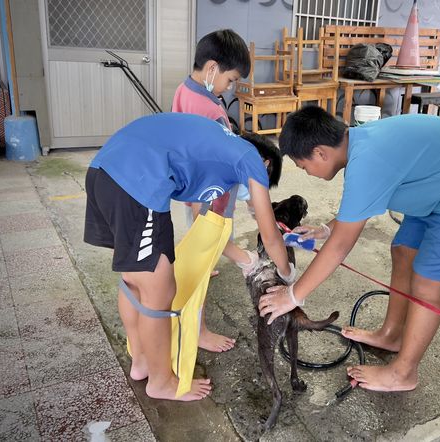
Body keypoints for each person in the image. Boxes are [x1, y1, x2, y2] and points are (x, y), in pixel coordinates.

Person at [258, 106, 440, 392]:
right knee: (403, 250)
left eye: (303, 166)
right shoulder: (359, 144)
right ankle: (391, 334)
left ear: (320, 152)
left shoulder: (366, 161)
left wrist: (292, 295)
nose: (307, 173)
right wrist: (327, 229)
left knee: (427, 281)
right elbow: (353, 215)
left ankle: (404, 373)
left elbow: (341, 246)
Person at [84, 112, 295, 401]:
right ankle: (162, 382)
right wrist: (287, 275)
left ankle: (142, 361)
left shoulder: (215, 147)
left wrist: (238, 255)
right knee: (159, 291)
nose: (251, 194)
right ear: (266, 164)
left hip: (103, 172)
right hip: (137, 184)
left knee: (134, 279)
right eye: (262, 184)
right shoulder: (249, 158)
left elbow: (202, 217)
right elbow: (270, 234)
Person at [172, 28, 255, 352]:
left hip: (189, 189)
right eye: (231, 79)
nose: (230, 87)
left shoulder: (186, 89)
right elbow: (220, 162)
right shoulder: (211, 112)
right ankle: (199, 331)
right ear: (211, 69)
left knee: (201, 243)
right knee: (202, 258)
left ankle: (210, 257)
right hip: (209, 199)